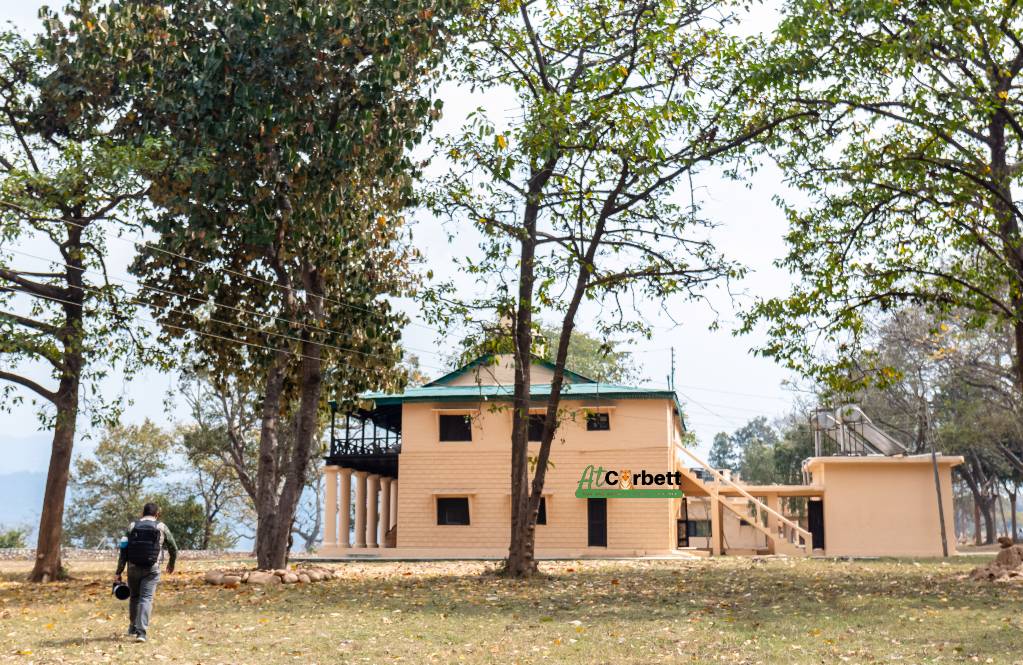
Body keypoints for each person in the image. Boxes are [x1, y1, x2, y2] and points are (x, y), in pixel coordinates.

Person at [114, 502, 178, 642]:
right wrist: (171, 563)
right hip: (152, 569)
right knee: (146, 598)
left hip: (132, 568)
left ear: (142, 513)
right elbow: (173, 547)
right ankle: (141, 632)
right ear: (157, 514)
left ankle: (132, 626)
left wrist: (119, 571)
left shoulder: (132, 526)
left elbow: (123, 550)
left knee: (134, 597)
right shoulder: (161, 527)